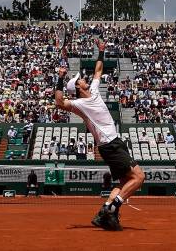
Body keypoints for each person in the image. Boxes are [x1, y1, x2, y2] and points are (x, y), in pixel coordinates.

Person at [54, 39, 144, 231]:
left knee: (125, 181)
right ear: (78, 88)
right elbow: (60, 103)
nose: (83, 78)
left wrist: (101, 51)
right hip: (110, 145)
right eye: (80, 79)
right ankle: (112, 208)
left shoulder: (93, 90)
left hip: (113, 143)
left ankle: (103, 211)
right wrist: (60, 78)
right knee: (139, 177)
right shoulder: (80, 105)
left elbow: (98, 70)